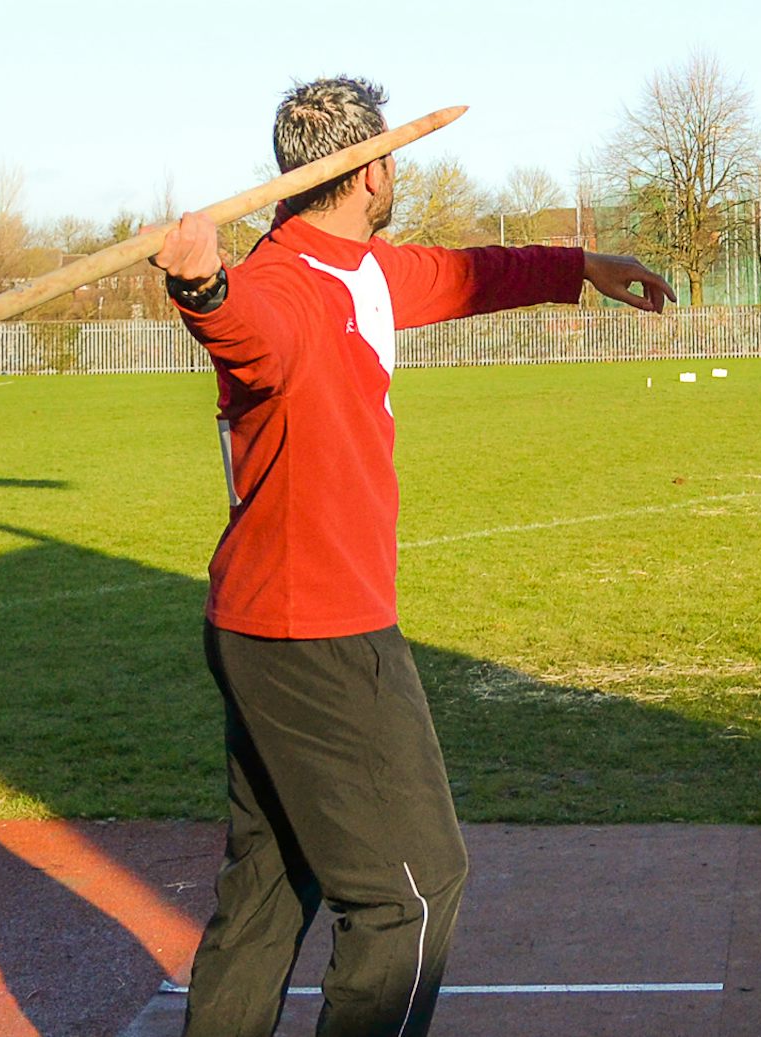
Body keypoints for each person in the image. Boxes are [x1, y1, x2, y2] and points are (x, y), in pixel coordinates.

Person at [149, 77, 673, 1036]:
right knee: (414, 892)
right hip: (316, 635)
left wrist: (581, 265)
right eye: (389, 156)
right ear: (368, 173)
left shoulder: (367, 272)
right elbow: (249, 335)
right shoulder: (283, 286)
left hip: (265, 624)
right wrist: (201, 288)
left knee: (271, 885)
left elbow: (472, 274)